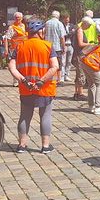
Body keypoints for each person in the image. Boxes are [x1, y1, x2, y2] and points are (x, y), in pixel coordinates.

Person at [8, 20, 59, 154]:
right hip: (44, 88)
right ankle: (45, 146)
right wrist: (41, 81)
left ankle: (22, 145)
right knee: (45, 115)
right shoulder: (48, 46)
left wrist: (23, 80)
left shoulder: (20, 46)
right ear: (41, 32)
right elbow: (55, 66)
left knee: (25, 116)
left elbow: (11, 67)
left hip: (26, 88)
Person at [73, 17, 100, 100]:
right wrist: (91, 44)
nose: (88, 28)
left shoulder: (80, 29)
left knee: (79, 74)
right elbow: (80, 43)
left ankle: (77, 93)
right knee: (81, 74)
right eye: (88, 26)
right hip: (79, 55)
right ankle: (79, 94)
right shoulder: (80, 30)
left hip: (79, 54)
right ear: (84, 24)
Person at [43, 10, 67, 81]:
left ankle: (49, 77)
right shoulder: (59, 24)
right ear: (58, 16)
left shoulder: (47, 23)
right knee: (58, 63)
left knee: (49, 63)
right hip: (57, 47)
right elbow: (62, 37)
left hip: (48, 46)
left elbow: (44, 34)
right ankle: (59, 79)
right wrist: (63, 46)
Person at [61, 15, 75, 82]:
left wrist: (69, 34)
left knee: (69, 61)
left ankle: (67, 75)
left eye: (68, 18)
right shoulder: (61, 25)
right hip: (64, 45)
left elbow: (73, 33)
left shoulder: (72, 25)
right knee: (63, 61)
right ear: (63, 19)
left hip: (70, 45)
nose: (67, 20)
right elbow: (63, 35)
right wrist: (69, 34)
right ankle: (62, 76)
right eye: (65, 19)